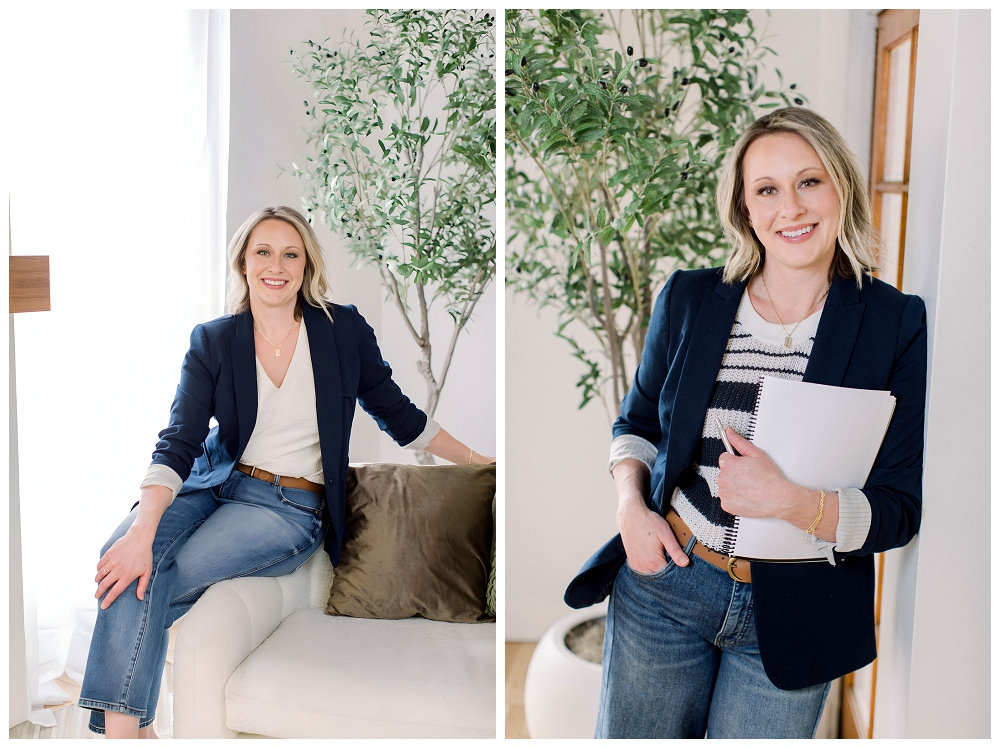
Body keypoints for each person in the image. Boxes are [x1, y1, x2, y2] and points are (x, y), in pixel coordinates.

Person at [564, 108, 927, 738]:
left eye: (810, 182)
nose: (791, 207)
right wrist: (630, 506)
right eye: (767, 190)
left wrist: (790, 502)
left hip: (799, 613)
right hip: (669, 584)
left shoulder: (893, 322)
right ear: (745, 209)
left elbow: (899, 507)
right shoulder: (689, 298)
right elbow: (637, 422)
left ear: (841, 188)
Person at [78, 206, 495, 738]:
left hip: (286, 507)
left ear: (306, 265)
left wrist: (478, 460)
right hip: (210, 481)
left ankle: (126, 732)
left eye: (290, 253)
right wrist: (142, 528)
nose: (277, 265)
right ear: (243, 263)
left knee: (146, 578)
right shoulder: (214, 339)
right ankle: (130, 733)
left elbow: (399, 414)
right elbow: (179, 441)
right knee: (124, 556)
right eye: (263, 252)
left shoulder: (341, 330)